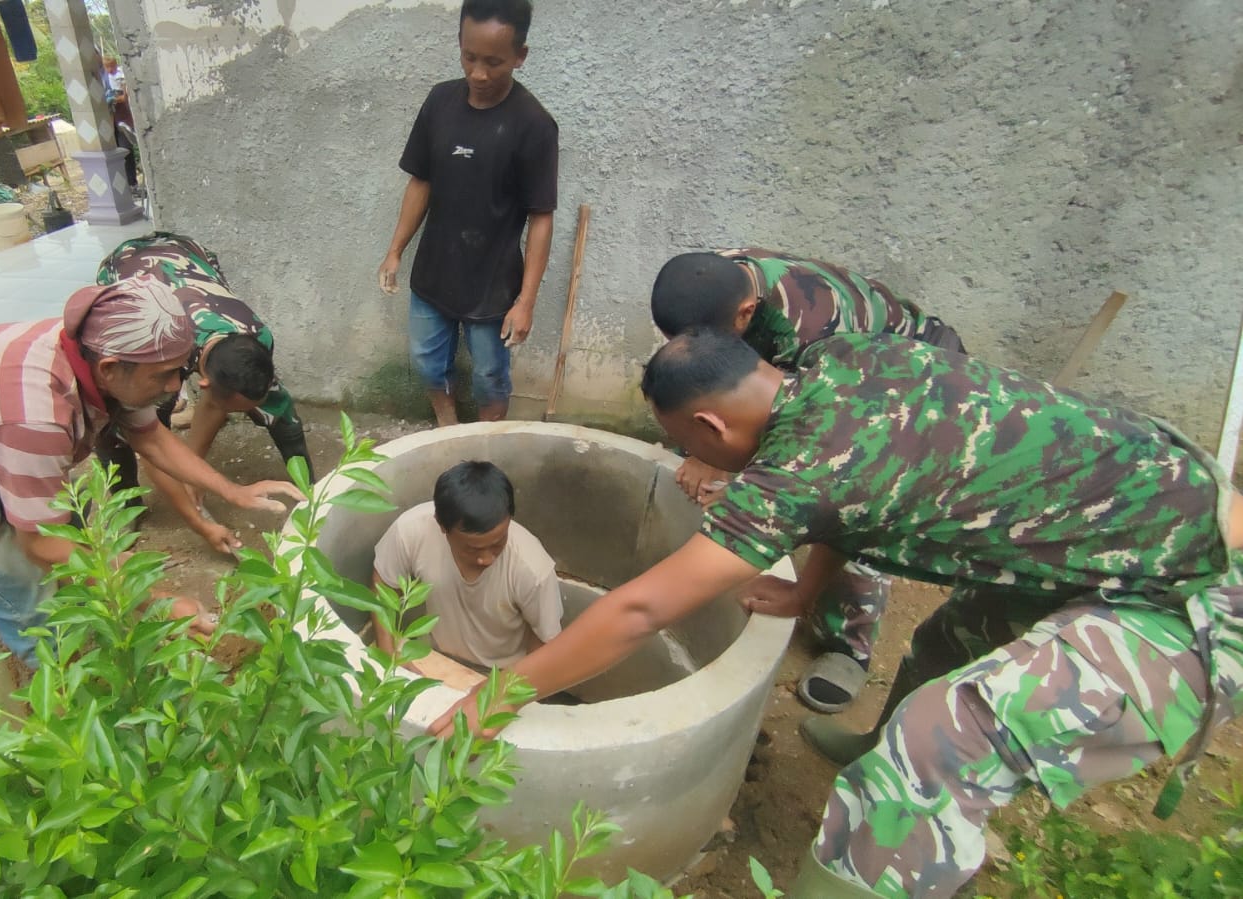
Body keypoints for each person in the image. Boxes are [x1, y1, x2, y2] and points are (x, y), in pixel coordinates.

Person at [430, 329, 1243, 898]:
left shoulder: (794, 474)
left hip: (1200, 592)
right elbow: (851, 503)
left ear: (710, 423)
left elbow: (641, 608)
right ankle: (872, 746)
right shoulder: (842, 360)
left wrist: (496, 695)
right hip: (1136, 512)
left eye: (689, 444)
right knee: (950, 636)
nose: (691, 461)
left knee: (940, 739)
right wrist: (803, 590)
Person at [0, 277, 303, 665]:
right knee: (31, 603)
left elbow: (153, 439)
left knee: (79, 555)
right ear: (109, 368)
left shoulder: (103, 353)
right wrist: (158, 601)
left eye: (179, 370)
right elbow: (41, 544)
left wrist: (232, 491)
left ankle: (94, 629)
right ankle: (61, 689)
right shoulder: (34, 415)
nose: (177, 386)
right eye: (164, 375)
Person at [651, 249, 967, 716]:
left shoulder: (811, 330)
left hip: (911, 383)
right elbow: (710, 384)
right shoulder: (708, 284)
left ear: (745, 314)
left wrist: (745, 479)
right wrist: (703, 453)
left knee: (848, 505)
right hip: (815, 385)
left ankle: (847, 644)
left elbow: (824, 445)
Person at [377, 0, 558, 425]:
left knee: (491, 377)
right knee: (427, 362)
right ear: (459, 43)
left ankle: (488, 444)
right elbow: (420, 181)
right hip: (433, 273)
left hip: (494, 286)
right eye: (469, 57)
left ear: (520, 56)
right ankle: (447, 426)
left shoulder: (534, 125)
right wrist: (395, 250)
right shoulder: (440, 101)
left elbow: (541, 216)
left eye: (493, 62)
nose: (478, 73)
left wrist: (526, 301)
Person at [93, 233, 312, 556]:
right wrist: (197, 515)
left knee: (279, 409)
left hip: (185, 253)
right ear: (204, 383)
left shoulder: (257, 337)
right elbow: (152, 442)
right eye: (231, 407)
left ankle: (311, 490)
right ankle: (125, 503)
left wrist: (194, 475)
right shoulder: (163, 346)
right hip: (125, 268)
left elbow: (224, 406)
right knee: (117, 420)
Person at [372, 461, 564, 688]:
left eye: (497, 543)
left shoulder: (532, 568)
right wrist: (389, 655)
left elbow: (546, 641)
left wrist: (508, 690)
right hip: (433, 657)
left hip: (501, 674)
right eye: (472, 549)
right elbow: (384, 583)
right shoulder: (411, 530)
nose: (486, 559)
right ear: (442, 526)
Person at [100, 54, 137, 190]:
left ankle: (132, 183)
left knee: (126, 149)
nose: (111, 70)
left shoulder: (121, 75)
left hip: (122, 116)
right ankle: (120, 185)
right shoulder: (102, 79)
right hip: (109, 119)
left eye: (112, 67)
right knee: (113, 152)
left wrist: (119, 98)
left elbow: (126, 96)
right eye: (108, 67)